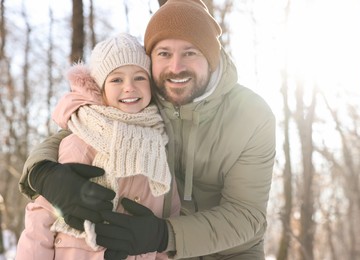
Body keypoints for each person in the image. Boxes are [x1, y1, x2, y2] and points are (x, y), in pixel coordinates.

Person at [19, 0, 276, 259]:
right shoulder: (145, 98)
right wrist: (41, 172)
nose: (176, 68)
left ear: (211, 57)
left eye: (190, 52)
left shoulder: (252, 115)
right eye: (164, 53)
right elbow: (83, 128)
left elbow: (246, 215)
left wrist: (164, 235)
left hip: (227, 252)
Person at [16, 33, 180, 260]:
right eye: (116, 80)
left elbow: (168, 217)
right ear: (99, 89)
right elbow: (42, 215)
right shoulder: (81, 140)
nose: (129, 87)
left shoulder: (159, 148)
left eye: (140, 78)